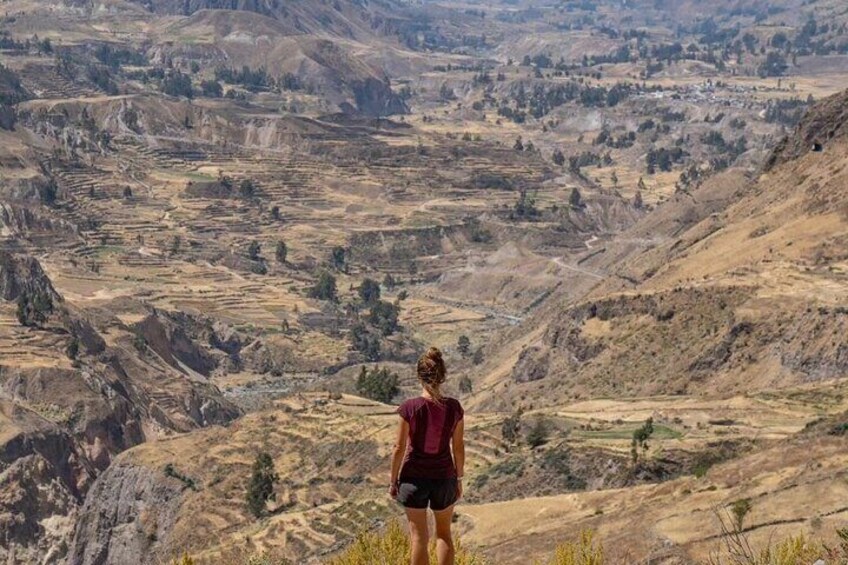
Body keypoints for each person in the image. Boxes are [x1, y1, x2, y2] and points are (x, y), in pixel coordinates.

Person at [390, 347, 465, 565]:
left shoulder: (410, 408)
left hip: (413, 478)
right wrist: (458, 478)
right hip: (444, 478)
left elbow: (398, 447)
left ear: (419, 376)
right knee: (444, 534)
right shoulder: (454, 408)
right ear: (442, 375)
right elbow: (458, 447)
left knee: (418, 539)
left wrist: (393, 481)